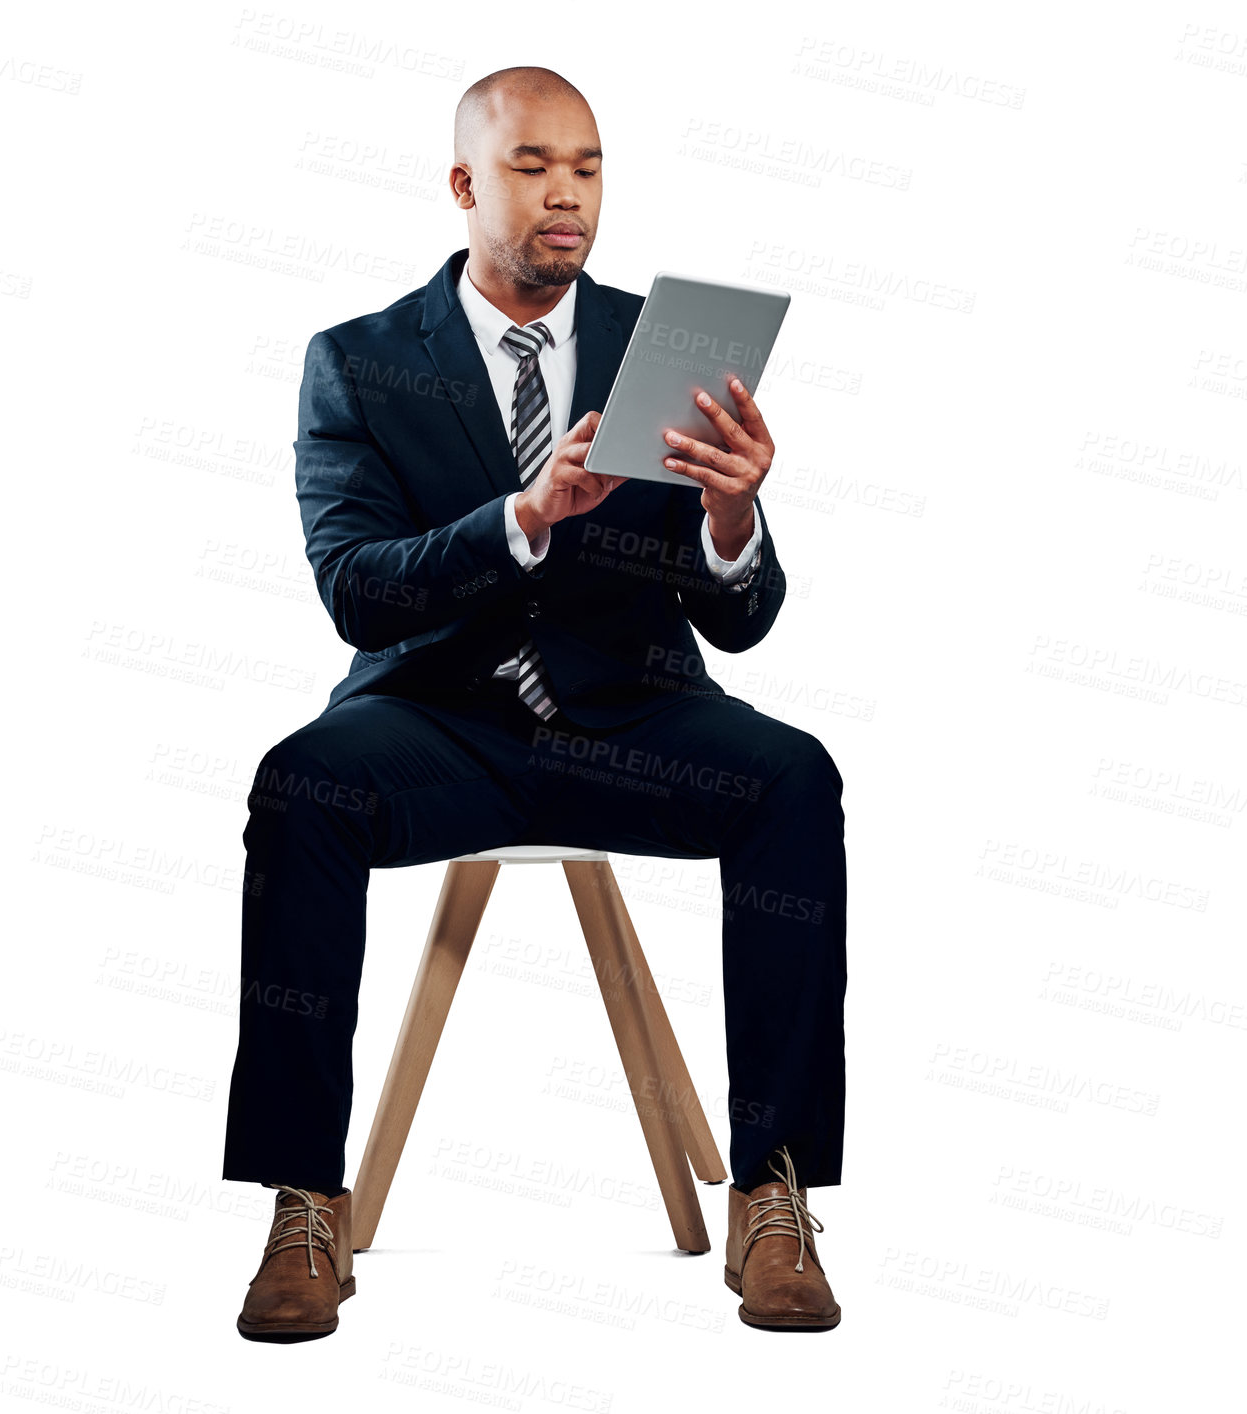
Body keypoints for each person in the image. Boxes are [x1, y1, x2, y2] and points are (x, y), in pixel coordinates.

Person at [223, 65, 847, 1340]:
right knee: (301, 784)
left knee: (796, 775)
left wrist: (733, 515)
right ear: (464, 184)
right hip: (437, 721)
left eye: (588, 166)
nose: (567, 195)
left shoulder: (658, 349)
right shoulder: (354, 363)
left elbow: (739, 616)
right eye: (531, 167)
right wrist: (517, 519)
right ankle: (302, 1200)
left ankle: (772, 1194)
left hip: (632, 719)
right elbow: (354, 591)